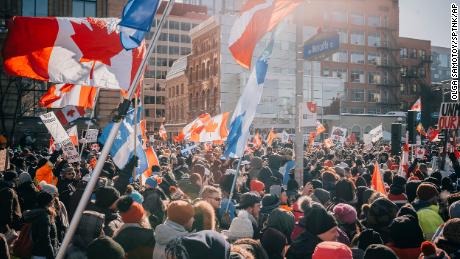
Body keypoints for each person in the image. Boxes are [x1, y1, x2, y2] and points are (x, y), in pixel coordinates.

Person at [24, 191, 59, 259]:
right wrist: (52, 255)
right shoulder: (44, 216)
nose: (53, 203)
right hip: (43, 254)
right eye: (52, 201)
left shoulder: (35, 213)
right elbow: (45, 238)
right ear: (48, 202)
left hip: (35, 252)